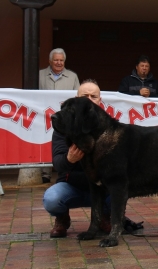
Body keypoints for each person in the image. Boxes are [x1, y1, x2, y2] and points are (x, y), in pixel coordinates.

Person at [44, 80, 142, 238]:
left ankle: (105, 216)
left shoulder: (108, 127)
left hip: (102, 187)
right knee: (52, 199)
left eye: (93, 96)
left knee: (120, 191)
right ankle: (62, 218)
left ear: (99, 100)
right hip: (73, 187)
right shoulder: (64, 124)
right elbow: (58, 163)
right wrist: (70, 159)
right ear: (76, 98)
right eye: (85, 96)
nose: (89, 99)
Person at [39, 48, 81, 183]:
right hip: (43, 116)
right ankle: (45, 173)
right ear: (50, 61)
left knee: (62, 143)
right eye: (56, 60)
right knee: (43, 140)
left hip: (66, 120)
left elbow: (78, 98)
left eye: (61, 60)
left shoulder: (72, 76)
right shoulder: (39, 75)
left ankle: (64, 172)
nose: (59, 63)